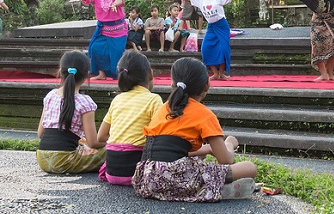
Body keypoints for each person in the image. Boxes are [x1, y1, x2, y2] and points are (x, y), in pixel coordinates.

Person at [132, 57, 257, 202]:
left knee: (199, 160)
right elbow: (225, 159)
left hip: (147, 180)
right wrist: (230, 143)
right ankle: (215, 189)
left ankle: (207, 189)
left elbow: (174, 151)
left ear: (173, 83)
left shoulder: (163, 109)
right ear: (207, 85)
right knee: (249, 168)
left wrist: (208, 149)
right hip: (176, 179)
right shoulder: (204, 114)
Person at [97, 50, 163, 186]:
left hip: (112, 172)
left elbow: (101, 137)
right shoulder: (154, 99)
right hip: (137, 172)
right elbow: (160, 137)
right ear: (150, 74)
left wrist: (120, 143)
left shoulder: (117, 99)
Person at [36, 50, 106, 173]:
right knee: (110, 150)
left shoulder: (50, 96)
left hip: (42, 159)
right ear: (87, 75)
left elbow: (41, 133)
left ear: (60, 72)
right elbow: (93, 142)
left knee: (82, 141)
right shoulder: (85, 102)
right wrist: (109, 142)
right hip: (64, 161)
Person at [164, 0, 239, 80]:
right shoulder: (201, 0)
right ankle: (215, 73)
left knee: (223, 49)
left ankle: (221, 74)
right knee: (205, 48)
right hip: (211, 27)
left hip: (222, 26)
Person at [56, 0, 127, 80]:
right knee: (94, 48)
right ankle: (101, 73)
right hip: (104, 29)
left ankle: (119, 75)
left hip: (118, 29)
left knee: (116, 53)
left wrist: (114, 4)